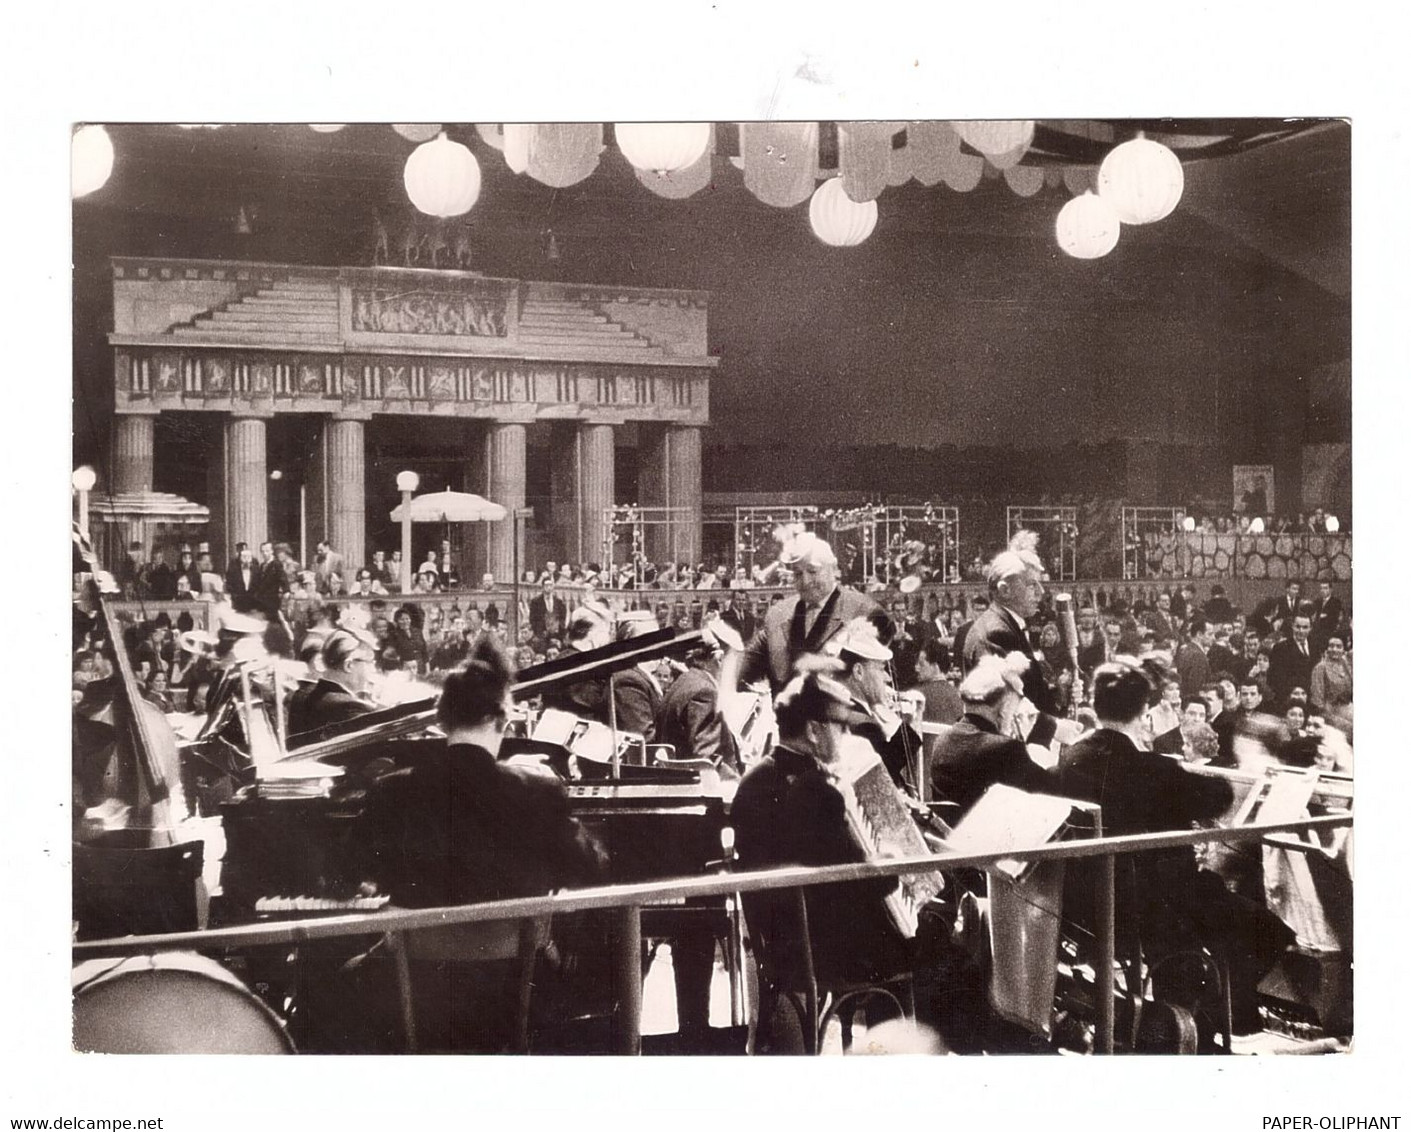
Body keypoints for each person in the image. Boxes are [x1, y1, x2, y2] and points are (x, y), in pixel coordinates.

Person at [357, 637, 607, 1051]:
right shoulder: (537, 790)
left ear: (441, 720)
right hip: (512, 990)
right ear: (503, 719)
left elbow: (358, 870)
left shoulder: (391, 792)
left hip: (418, 988)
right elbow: (590, 868)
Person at [1058, 658, 1294, 1041]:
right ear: (1144, 712)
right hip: (1147, 905)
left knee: (1203, 912)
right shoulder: (1150, 768)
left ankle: (1192, 1022)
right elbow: (1217, 797)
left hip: (1088, 901)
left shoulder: (1071, 758)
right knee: (1262, 928)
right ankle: (1206, 1026)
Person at [731, 660, 915, 1050]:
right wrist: (893, 862)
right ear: (814, 730)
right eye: (841, 727)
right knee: (926, 943)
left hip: (775, 942)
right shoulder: (818, 790)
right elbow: (864, 883)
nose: (846, 735)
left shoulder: (754, 779)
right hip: (817, 951)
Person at [725, 533, 878, 696]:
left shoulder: (859, 611)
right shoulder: (778, 616)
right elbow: (740, 671)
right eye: (798, 574)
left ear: (833, 569)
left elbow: (872, 678)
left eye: (813, 571)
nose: (805, 582)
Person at [960, 532, 1059, 746]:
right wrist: (1057, 728)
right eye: (1032, 585)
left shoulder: (1007, 624)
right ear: (1005, 590)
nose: (1041, 592)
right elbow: (1009, 705)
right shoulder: (996, 632)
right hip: (1005, 751)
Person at [285, 628, 379, 736]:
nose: (374, 669)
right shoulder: (350, 707)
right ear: (348, 665)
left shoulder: (302, 695)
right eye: (370, 662)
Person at [1268, 614, 1316, 708]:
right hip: (1290, 701)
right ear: (1292, 626)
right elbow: (1275, 679)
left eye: (1305, 627)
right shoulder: (1280, 648)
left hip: (1312, 700)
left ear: (1310, 628)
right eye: (1298, 627)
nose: (1301, 631)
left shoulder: (1316, 646)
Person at [1310, 635, 1352, 712]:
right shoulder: (1320, 668)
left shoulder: (1346, 666)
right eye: (1331, 646)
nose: (1334, 649)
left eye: (1339, 647)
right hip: (1329, 710)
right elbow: (1317, 700)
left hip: (1347, 707)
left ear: (1343, 650)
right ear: (1326, 649)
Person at [529, 576, 568, 642]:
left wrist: (559, 628)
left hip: (556, 634)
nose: (549, 588)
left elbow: (563, 617)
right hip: (542, 634)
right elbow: (532, 619)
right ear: (543, 587)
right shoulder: (536, 602)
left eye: (550, 585)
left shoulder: (559, 602)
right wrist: (539, 632)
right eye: (547, 585)